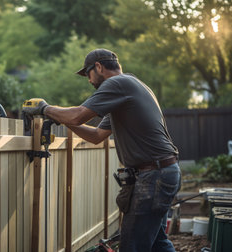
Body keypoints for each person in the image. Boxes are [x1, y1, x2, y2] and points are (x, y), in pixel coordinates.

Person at [23, 48, 181, 252]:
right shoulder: (129, 87)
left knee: (132, 246)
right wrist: (58, 117)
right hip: (162, 171)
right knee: (157, 243)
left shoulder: (117, 83)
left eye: (88, 74)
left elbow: (78, 115)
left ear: (98, 67)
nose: (89, 81)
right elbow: (97, 136)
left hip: (154, 176)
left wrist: (44, 108)